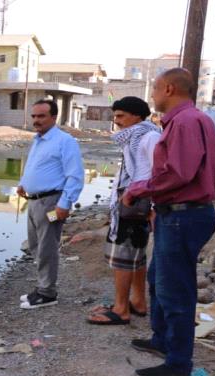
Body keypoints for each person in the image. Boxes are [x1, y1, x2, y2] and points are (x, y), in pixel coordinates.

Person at [122, 68, 215, 376]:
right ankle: (163, 340)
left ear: (168, 88)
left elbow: (179, 173)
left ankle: (178, 364)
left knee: (174, 288)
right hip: (176, 214)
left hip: (183, 215)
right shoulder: (189, 120)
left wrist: (139, 189)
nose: (152, 95)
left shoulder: (187, 122)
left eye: (154, 89)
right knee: (158, 280)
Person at [88, 97, 161, 325]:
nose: (116, 121)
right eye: (115, 116)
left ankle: (121, 310)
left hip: (135, 205)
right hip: (133, 204)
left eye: (121, 116)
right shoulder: (137, 137)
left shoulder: (148, 137)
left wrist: (154, 207)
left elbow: (158, 175)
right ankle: (138, 301)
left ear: (137, 116)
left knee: (123, 258)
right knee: (136, 257)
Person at [17, 99, 84, 310]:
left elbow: (75, 176)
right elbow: (36, 166)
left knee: (47, 247)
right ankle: (42, 286)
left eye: (41, 116)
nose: (36, 120)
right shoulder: (38, 140)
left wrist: (64, 205)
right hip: (34, 202)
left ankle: (48, 293)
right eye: (34, 116)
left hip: (52, 204)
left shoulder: (65, 141)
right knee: (36, 245)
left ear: (53, 117)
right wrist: (23, 184)